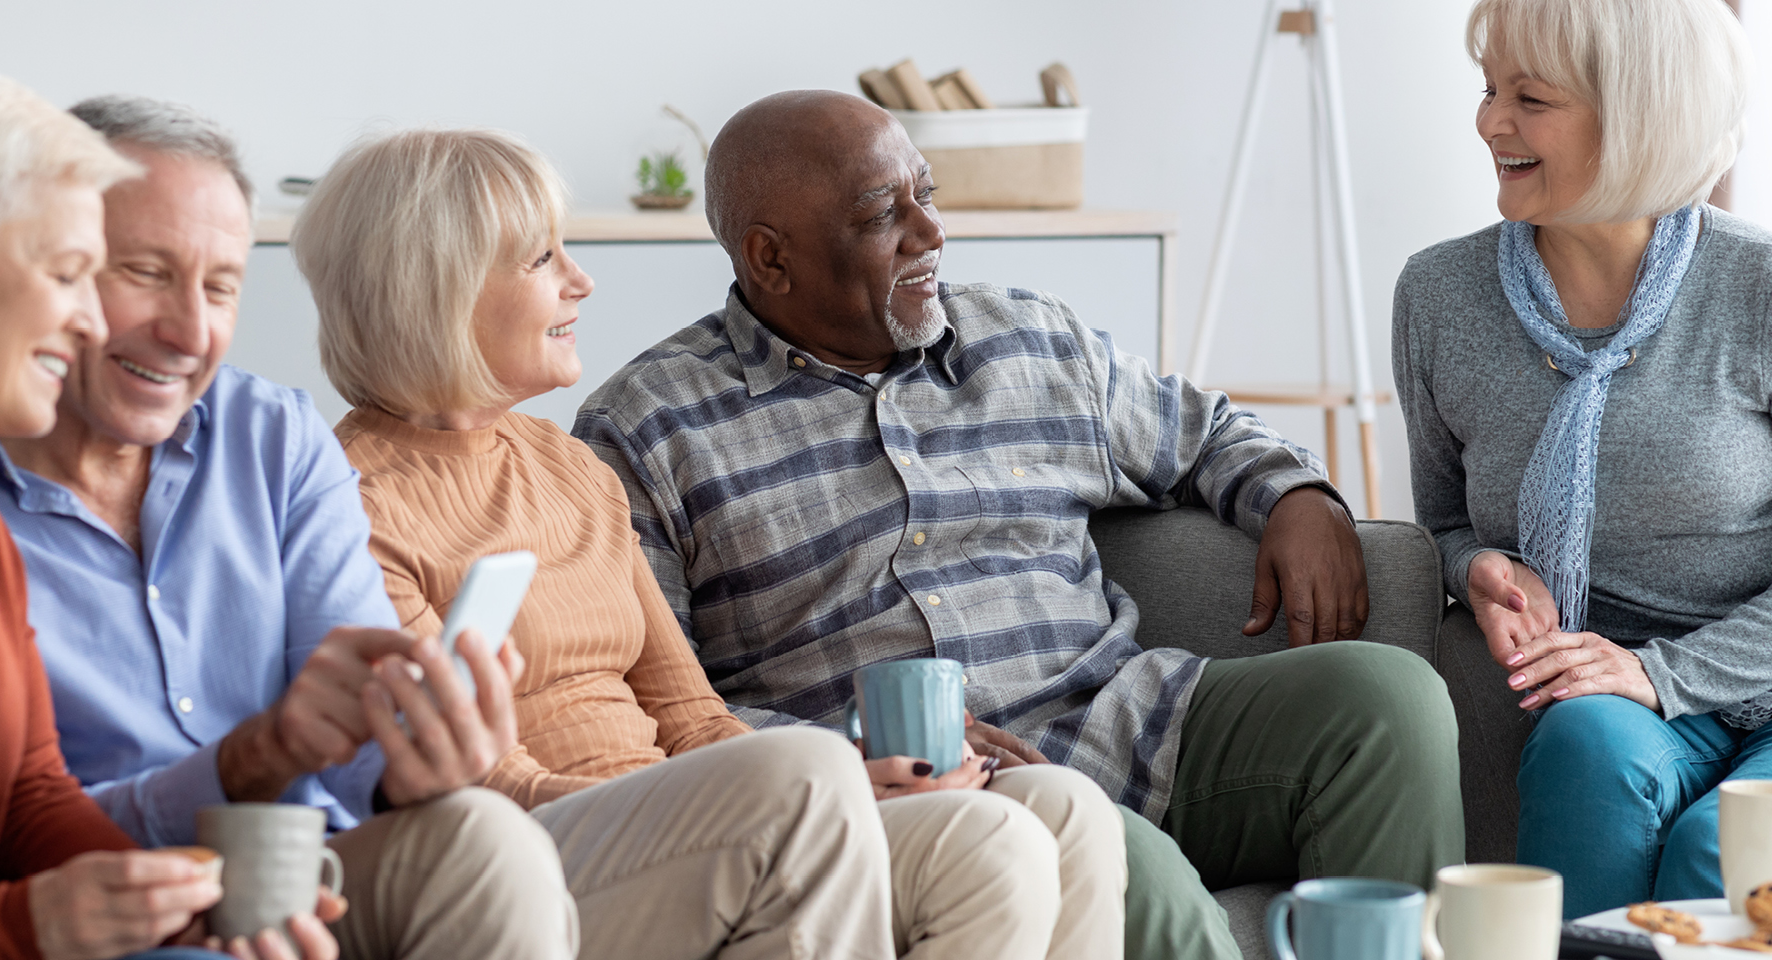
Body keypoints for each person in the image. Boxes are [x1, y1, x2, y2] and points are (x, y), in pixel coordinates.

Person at [571, 89, 1465, 960]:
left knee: (1386, 700)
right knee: (1124, 865)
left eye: (929, 194)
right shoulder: (648, 430)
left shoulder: (1030, 338)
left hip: (1126, 720)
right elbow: (647, 703)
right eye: (886, 215)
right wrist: (842, 756)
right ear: (771, 259)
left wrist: (1298, 495)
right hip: (930, 793)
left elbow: (1209, 431)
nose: (930, 234)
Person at [301, 125, 1127, 960]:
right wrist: (735, 795)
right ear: (439, 288)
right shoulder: (347, 504)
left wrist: (850, 782)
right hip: (533, 853)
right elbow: (467, 782)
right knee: (803, 773)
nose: (580, 281)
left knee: (1055, 813)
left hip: (690, 820)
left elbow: (691, 716)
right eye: (541, 260)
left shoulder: (571, 467)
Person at [0, 95, 580, 958]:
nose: (189, 331)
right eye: (144, 272)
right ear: (43, 267)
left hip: (319, 888)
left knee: (480, 833)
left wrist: (423, 760)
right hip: (97, 906)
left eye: (220, 287)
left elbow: (367, 761)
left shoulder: (272, 439)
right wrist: (250, 765)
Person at [0, 63, 235, 960]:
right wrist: (20, 926)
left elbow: (27, 791)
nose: (92, 322)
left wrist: (182, 906)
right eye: (67, 273)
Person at [1395, 0, 1761, 919]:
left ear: (1639, 114)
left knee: (1717, 851)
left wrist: (1663, 677)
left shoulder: (1757, 288)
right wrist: (1480, 566)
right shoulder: (1438, 295)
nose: (1488, 121)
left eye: (1530, 97)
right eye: (1488, 89)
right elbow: (1442, 521)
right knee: (1582, 748)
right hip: (1609, 696)